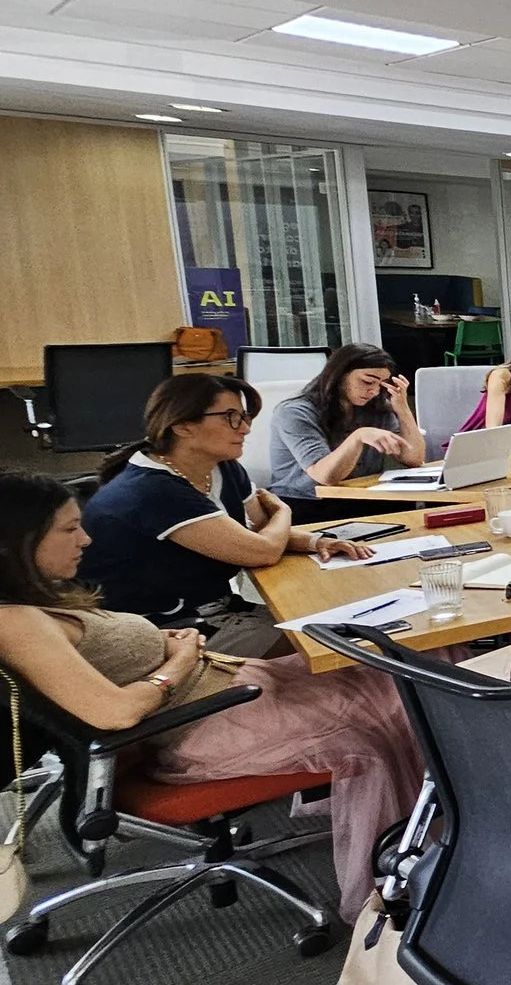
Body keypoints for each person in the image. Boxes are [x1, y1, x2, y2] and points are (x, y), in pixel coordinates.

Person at [1, 469, 422, 908]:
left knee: (391, 673)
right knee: (384, 727)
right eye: (69, 529)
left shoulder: (37, 601)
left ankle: (416, 834)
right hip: (198, 724)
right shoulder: (15, 623)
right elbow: (117, 713)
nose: (85, 540)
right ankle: (389, 887)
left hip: (224, 687)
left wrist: (162, 645)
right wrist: (180, 660)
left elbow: (99, 661)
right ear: (17, 543)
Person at [78, 375, 373, 656]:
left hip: (218, 610)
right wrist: (284, 509)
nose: (244, 428)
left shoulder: (221, 466)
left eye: (244, 418)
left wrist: (314, 541)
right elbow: (264, 549)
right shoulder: (153, 491)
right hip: (164, 633)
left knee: (352, 627)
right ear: (182, 425)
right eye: (230, 417)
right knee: (348, 647)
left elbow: (260, 531)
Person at [268, 344, 424, 523]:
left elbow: (414, 458)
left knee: (421, 510)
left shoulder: (375, 408)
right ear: (340, 375)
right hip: (305, 501)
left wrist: (402, 408)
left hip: (359, 495)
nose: (373, 391)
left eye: (380, 385)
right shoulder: (295, 412)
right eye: (367, 381)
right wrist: (358, 437)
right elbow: (325, 476)